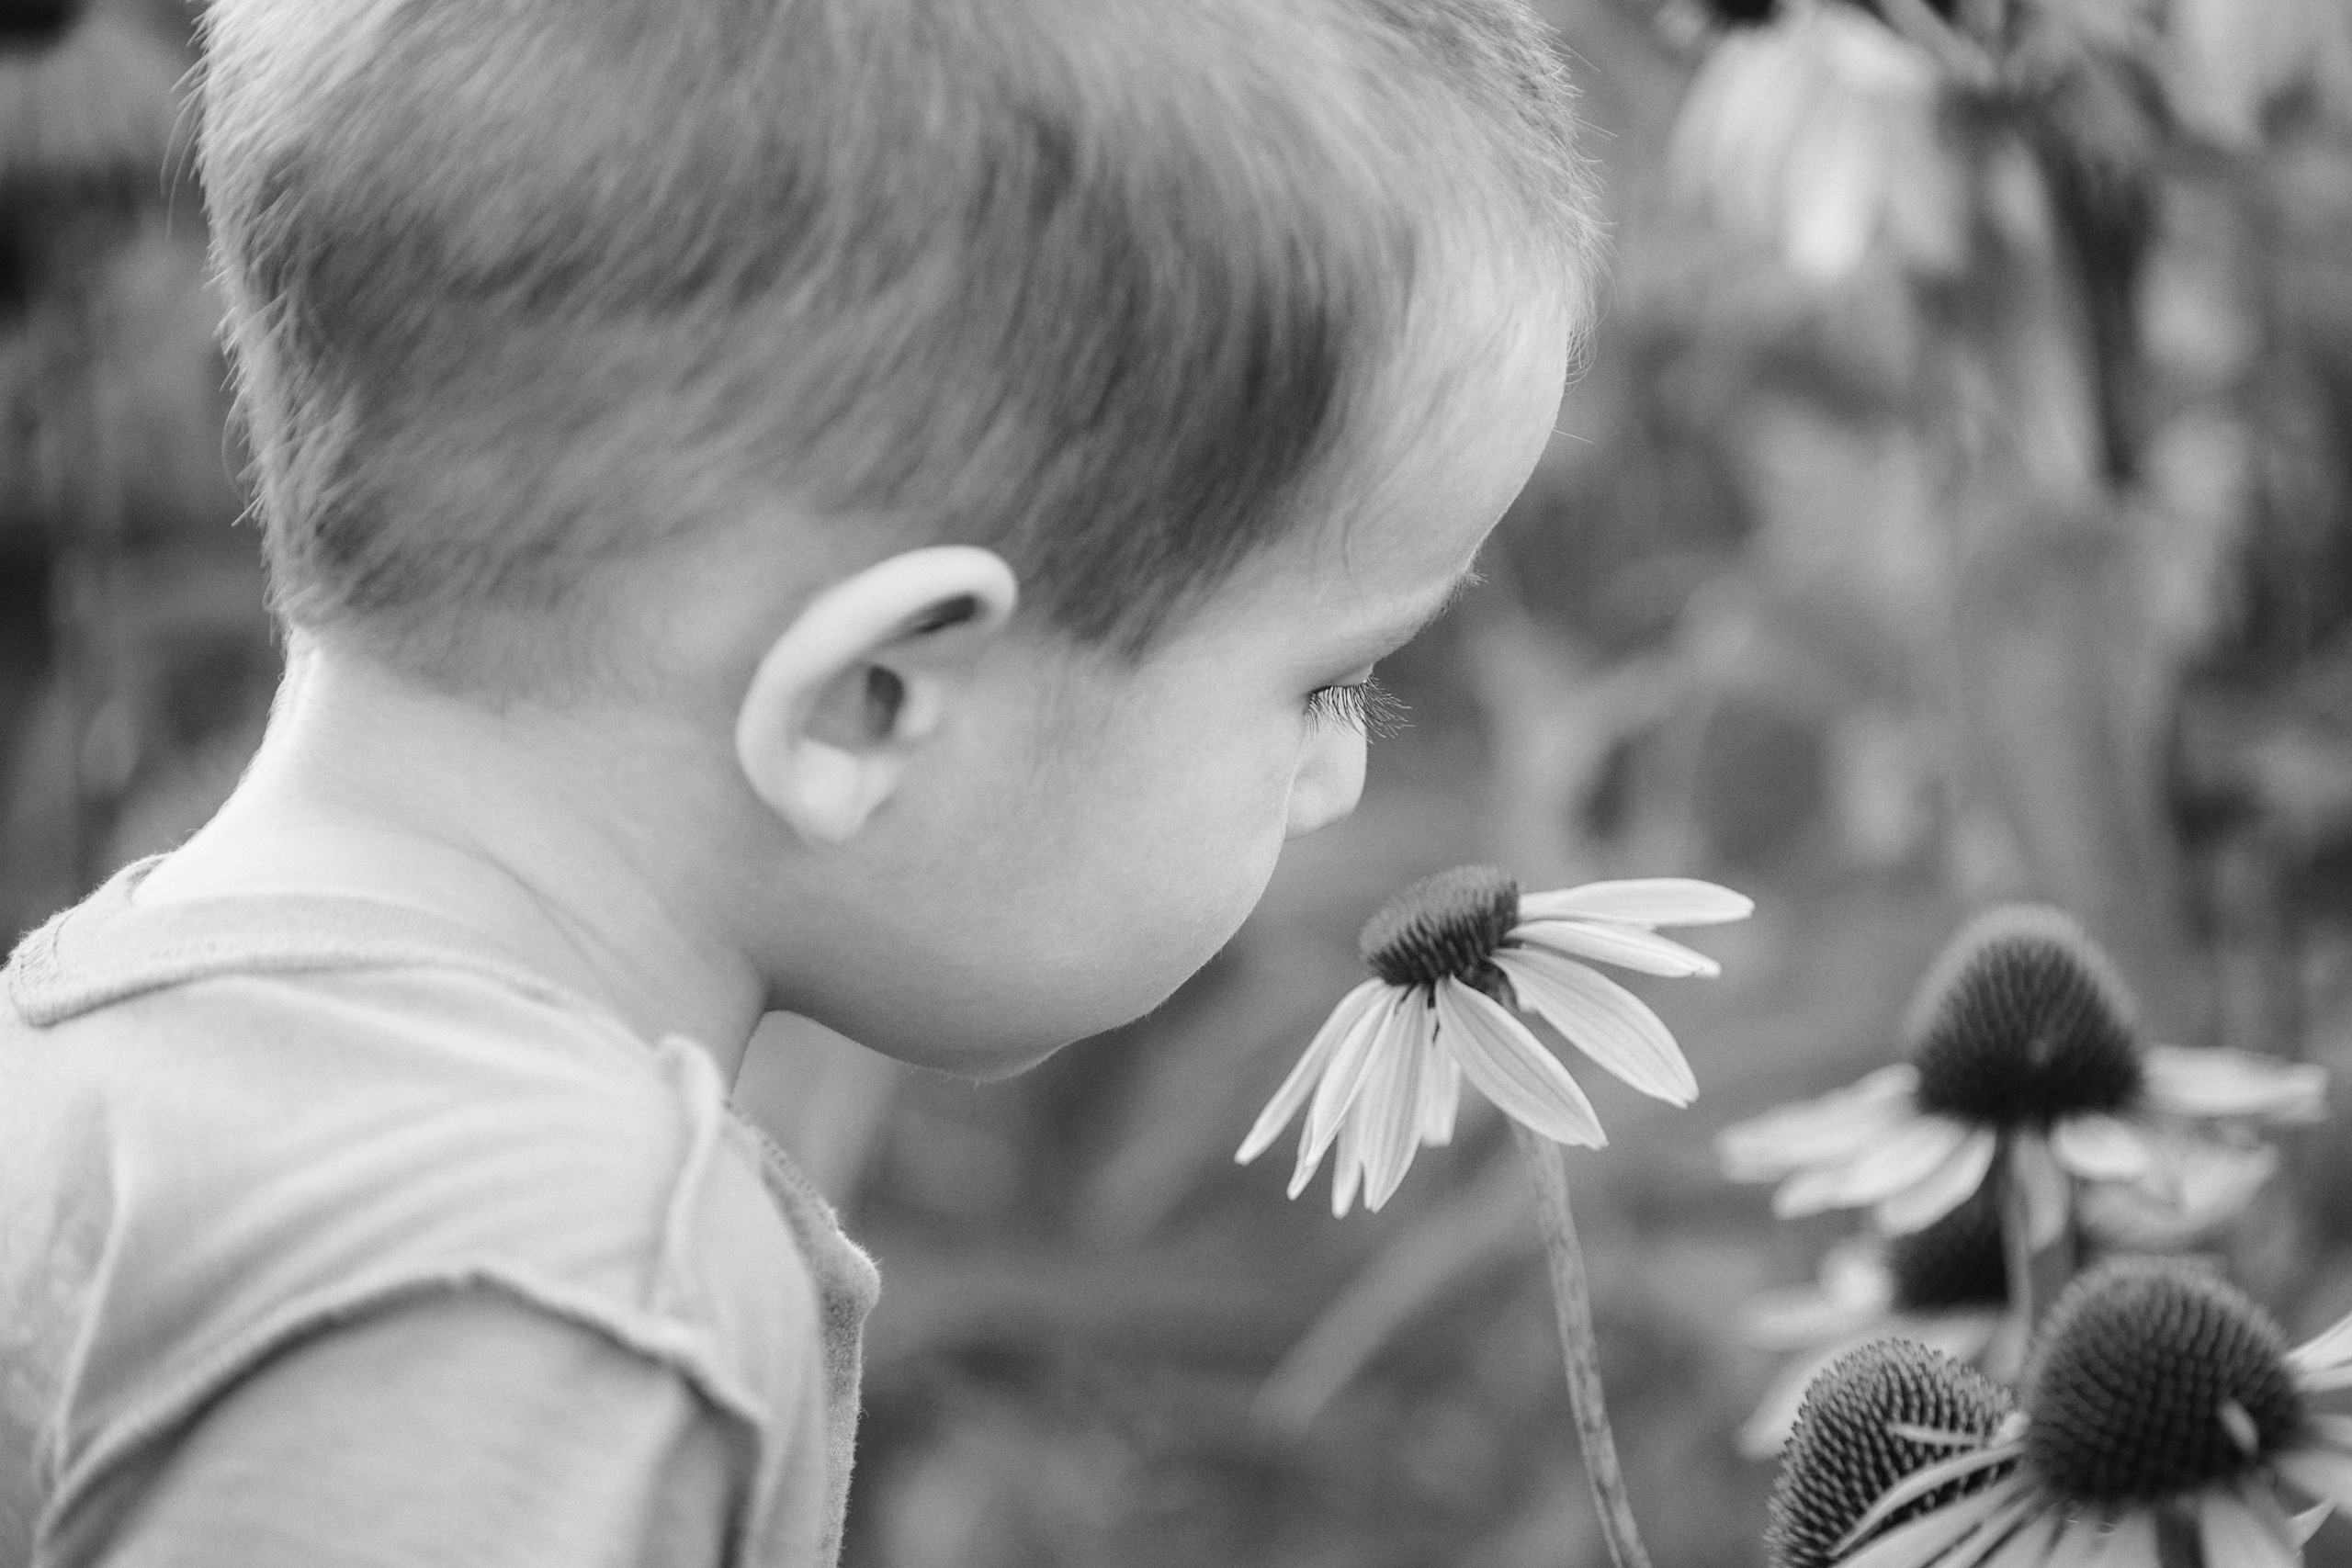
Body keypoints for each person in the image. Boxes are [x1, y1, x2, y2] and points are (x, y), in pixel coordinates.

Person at [0, 0, 1604, 1562]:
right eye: (1327, 682)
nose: (1333, 781)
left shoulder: (86, 1066)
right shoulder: (545, 1284)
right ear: (871, 700)